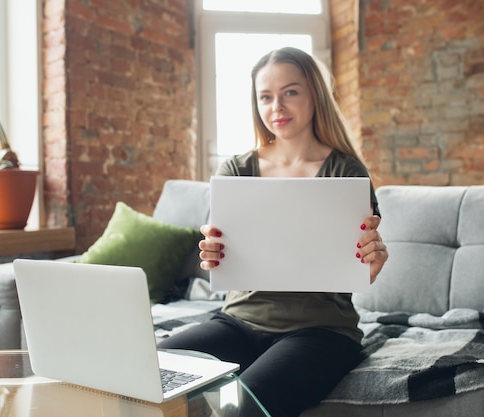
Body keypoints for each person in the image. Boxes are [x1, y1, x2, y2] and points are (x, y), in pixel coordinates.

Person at [158, 47, 388, 417]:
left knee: (237, 407)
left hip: (320, 331)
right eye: (266, 96)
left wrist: (372, 260)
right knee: (149, 371)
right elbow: (221, 255)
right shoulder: (238, 168)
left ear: (315, 94)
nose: (276, 106)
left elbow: (365, 270)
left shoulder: (346, 171)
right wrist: (213, 253)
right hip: (237, 321)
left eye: (291, 92)